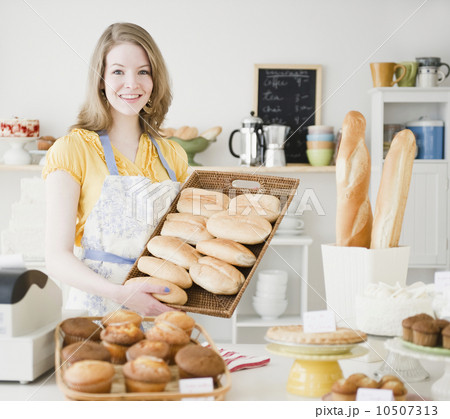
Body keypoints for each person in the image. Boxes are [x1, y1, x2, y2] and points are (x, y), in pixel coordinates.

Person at [43, 22, 188, 316]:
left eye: (143, 71)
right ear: (100, 80)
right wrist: (121, 294)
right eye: (118, 72)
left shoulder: (173, 155)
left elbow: (185, 242)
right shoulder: (72, 150)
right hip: (98, 313)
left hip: (164, 313)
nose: (132, 84)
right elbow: (56, 257)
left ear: (154, 79)